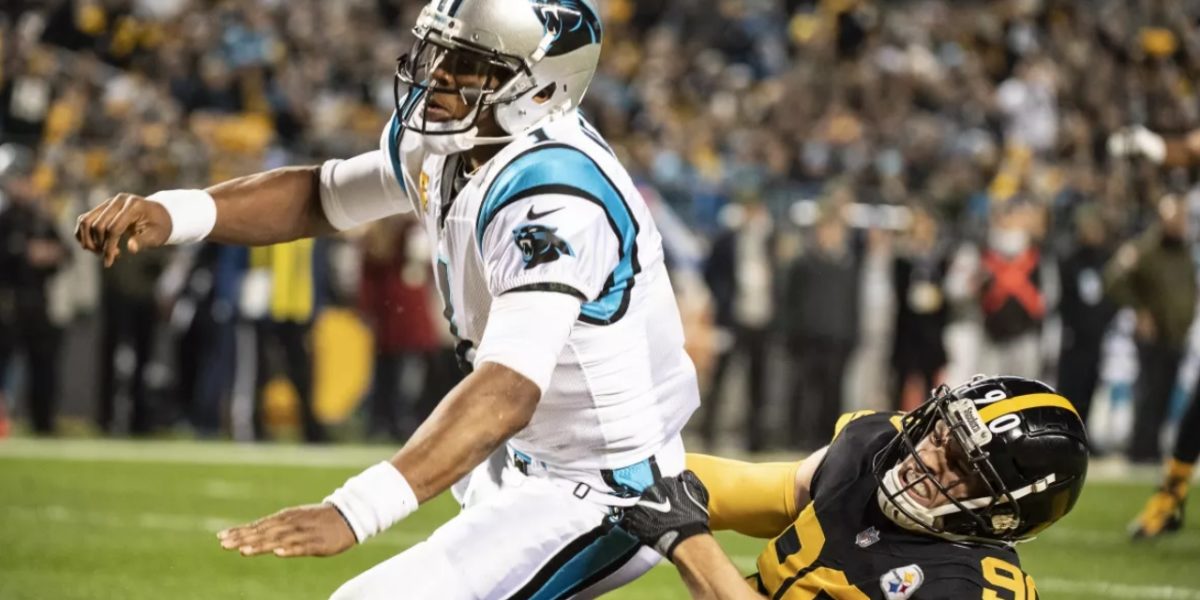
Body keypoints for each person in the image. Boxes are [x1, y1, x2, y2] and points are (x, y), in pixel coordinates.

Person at [74, 1, 699, 598]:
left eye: (470, 66)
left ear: (540, 88)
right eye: (440, 54)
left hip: (608, 487)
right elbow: (324, 194)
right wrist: (176, 211)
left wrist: (355, 510)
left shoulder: (556, 197)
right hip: (529, 458)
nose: (439, 78)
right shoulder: (460, 138)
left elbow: (507, 390)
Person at [621, 375, 1089, 599]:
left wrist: (687, 541)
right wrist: (633, 475)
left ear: (1003, 515)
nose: (924, 458)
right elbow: (776, 490)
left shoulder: (960, 589)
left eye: (960, 467)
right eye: (942, 433)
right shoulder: (881, 445)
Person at [1104, 194, 1196, 464]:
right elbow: (1113, 280)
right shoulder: (1145, 249)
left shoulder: (1184, 251)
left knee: (1165, 394)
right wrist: (1139, 310)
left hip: (1177, 334)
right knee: (1149, 394)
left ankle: (1153, 449)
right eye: (1175, 219)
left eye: (1182, 219)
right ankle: (1141, 449)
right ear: (1163, 220)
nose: (1180, 225)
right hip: (1153, 336)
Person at [0, 144, 69, 435]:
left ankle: (44, 423)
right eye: (18, 178)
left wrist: (46, 254)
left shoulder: (39, 216)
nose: (23, 184)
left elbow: (66, 252)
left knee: (44, 365)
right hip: (7, 300)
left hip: (38, 300)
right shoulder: (5, 216)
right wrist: (25, 253)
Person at [703, 198, 778, 451]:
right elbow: (710, 272)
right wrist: (723, 301)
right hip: (733, 319)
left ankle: (756, 438)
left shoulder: (771, 243)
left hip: (762, 320)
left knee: (758, 382)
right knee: (721, 377)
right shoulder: (727, 240)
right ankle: (708, 431)